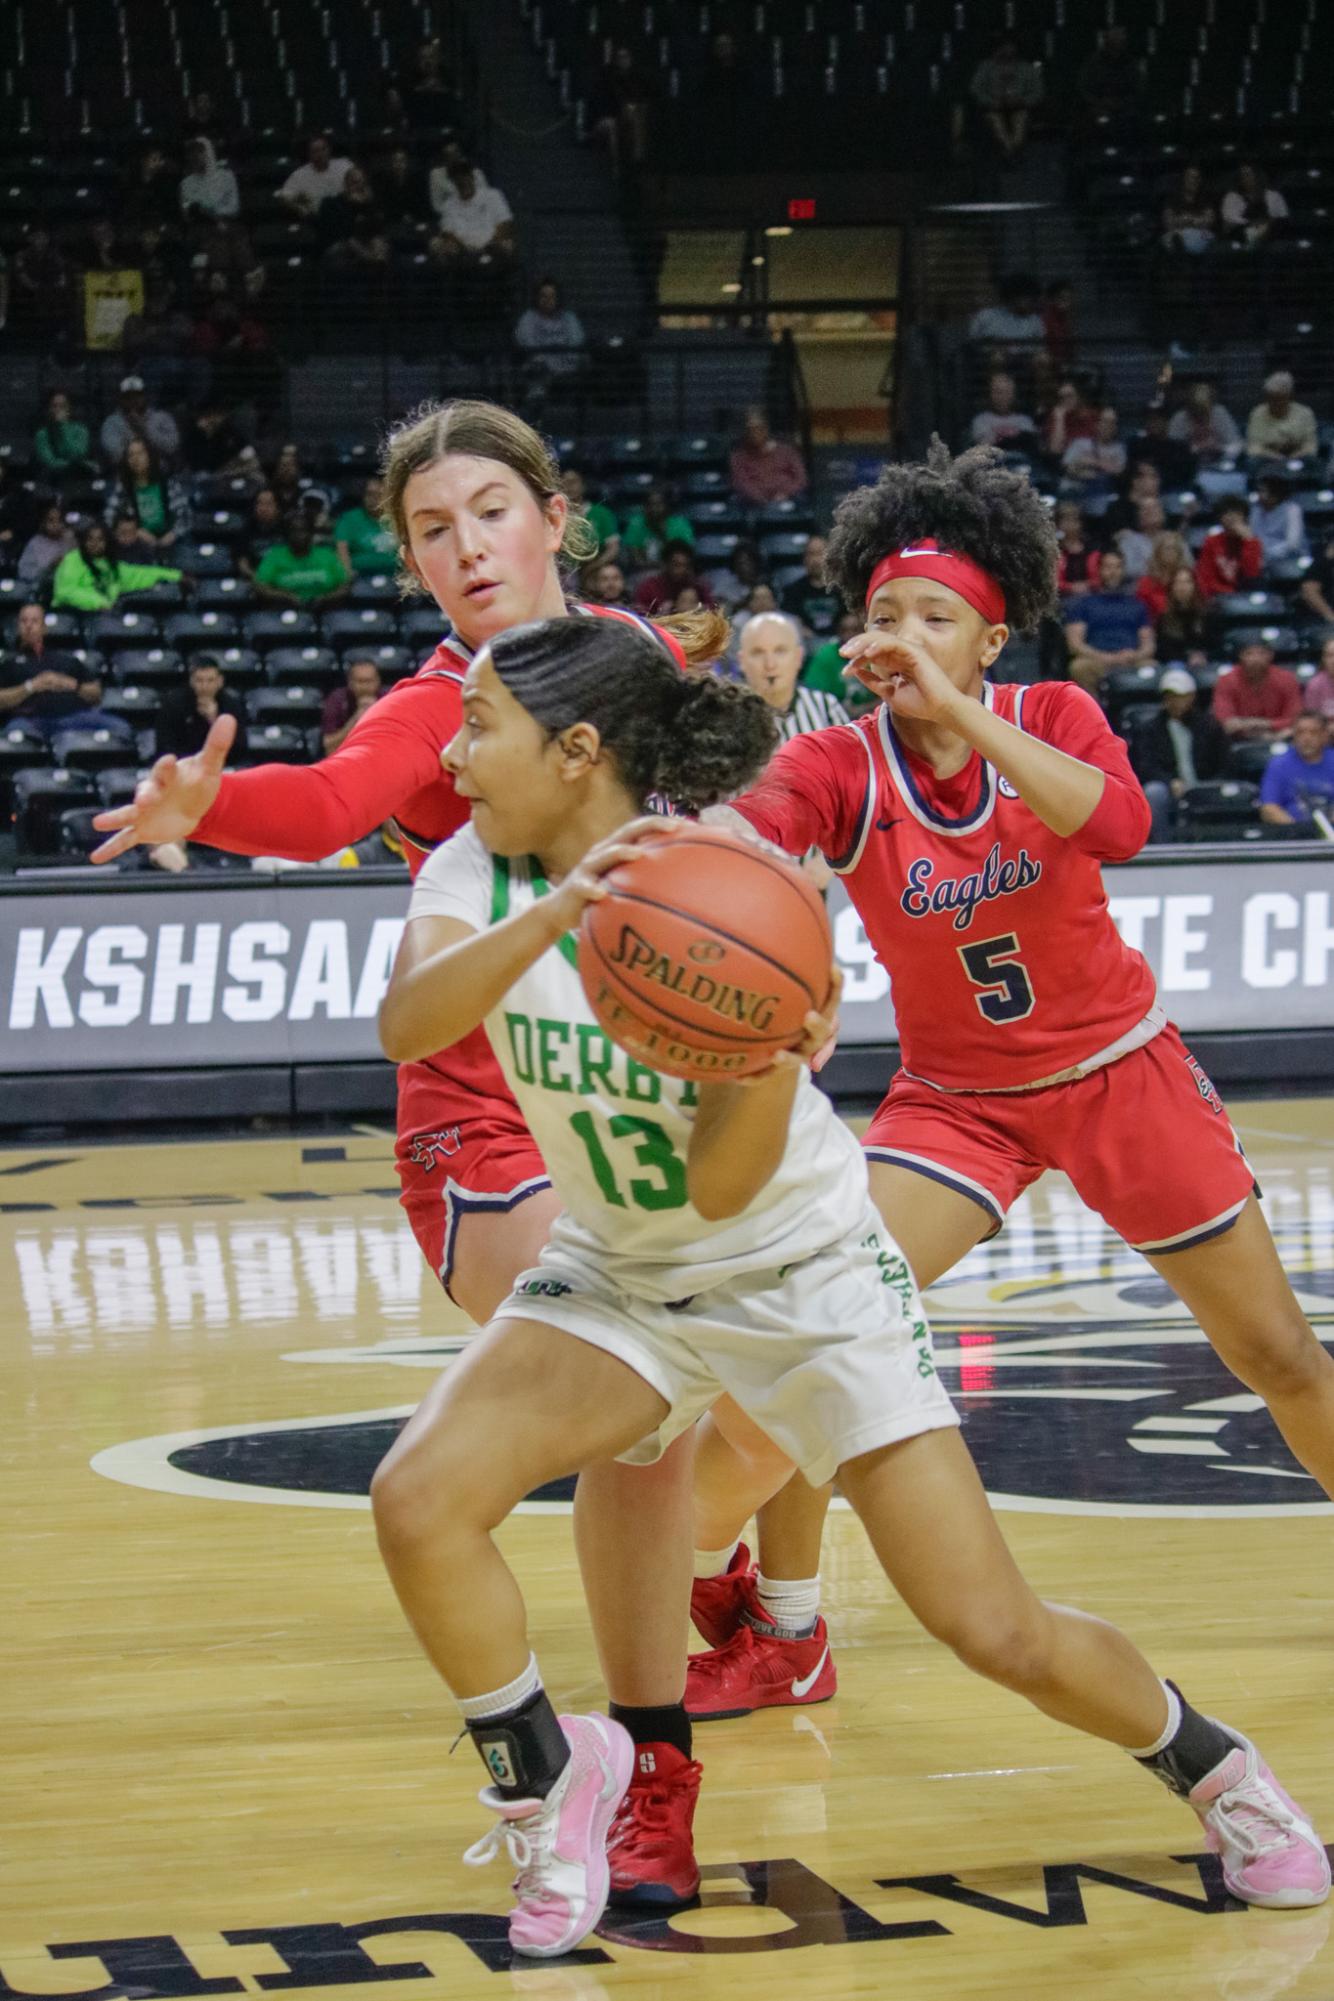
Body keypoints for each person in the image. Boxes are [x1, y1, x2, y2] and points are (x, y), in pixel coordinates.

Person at [380, 614, 1329, 1946]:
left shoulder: (718, 882)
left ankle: (1215, 1767)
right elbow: (409, 1023)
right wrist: (559, 903)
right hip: (613, 1273)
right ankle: (553, 1777)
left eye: (480, 724)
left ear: (577, 748)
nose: (454, 749)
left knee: (991, 1628)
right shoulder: (475, 866)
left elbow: (720, 1188)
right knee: (418, 1500)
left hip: (799, 1273)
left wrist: (764, 1054)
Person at [90, 401, 733, 1907]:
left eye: (490, 512)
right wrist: (212, 803)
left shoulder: (646, 662)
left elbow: (745, 810)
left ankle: (670, 1728)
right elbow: (322, 808)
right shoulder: (444, 701)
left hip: (647, 1084)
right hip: (487, 1108)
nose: (465, 550)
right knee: (632, 1392)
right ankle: (622, 1748)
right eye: (432, 530)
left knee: (683, 1422)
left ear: (555, 517)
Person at [671, 446, 1334, 1768]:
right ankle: (783, 1627)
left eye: (935, 618)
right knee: (818, 1337)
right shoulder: (842, 764)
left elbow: (1123, 825)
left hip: (1115, 1074)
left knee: (1273, 1354)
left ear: (990, 637)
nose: (902, 635)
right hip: (955, 1104)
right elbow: (749, 831)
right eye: (884, 614)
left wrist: (962, 716)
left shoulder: (1052, 718)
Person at [0, 601, 134, 747]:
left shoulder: (66, 659)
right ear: (18, 627)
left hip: (74, 717)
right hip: (30, 720)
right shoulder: (9, 663)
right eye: (24, 621)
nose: (28, 626)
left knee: (120, 727)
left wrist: (70, 684)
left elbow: (96, 694)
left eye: (34, 621)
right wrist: (31, 686)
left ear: (44, 627)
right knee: (14, 735)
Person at [1130, 665, 1231, 841]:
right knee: (1154, 792)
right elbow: (1146, 766)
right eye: (1170, 697)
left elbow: (1225, 763)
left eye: (1180, 697)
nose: (1175, 702)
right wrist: (1170, 782)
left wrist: (1208, 785)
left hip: (1205, 784)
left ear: (1191, 697)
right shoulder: (1150, 729)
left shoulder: (1210, 726)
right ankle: (1163, 846)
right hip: (1171, 788)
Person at [736, 611, 848, 739]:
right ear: (742, 661)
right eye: (758, 653)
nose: (770, 664)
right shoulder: (724, 717)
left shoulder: (826, 707)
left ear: (798, 657)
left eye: (780, 651)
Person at [1062, 546, 1154, 692]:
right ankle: (1094, 712)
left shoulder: (1137, 605)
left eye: (1118, 567)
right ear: (1099, 570)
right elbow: (1074, 644)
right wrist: (1105, 657)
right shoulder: (1084, 604)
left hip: (1131, 660)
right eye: (1108, 567)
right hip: (1097, 660)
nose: (1113, 572)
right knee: (1079, 667)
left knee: (1152, 668)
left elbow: (1149, 645)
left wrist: (1134, 655)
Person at [51, 520, 182, 611]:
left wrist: (178, 576)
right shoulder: (72, 560)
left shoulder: (111, 566)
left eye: (100, 539)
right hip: (73, 615)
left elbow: (139, 574)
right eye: (90, 539)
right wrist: (99, 603)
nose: (94, 543)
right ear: (83, 541)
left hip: (103, 616)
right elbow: (66, 592)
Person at [251, 512, 351, 609]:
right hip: (283, 610)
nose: (298, 535)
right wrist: (286, 597)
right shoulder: (275, 555)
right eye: (293, 531)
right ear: (287, 535)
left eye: (303, 530)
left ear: (311, 533)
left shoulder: (326, 554)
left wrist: (324, 598)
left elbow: (345, 586)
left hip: (326, 611)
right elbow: (260, 587)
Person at [106, 437, 190, 551]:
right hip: (136, 543)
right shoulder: (123, 487)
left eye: (140, 453)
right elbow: (110, 516)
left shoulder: (167, 482)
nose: (135, 459)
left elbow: (185, 515)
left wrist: (173, 534)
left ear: (150, 456)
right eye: (131, 455)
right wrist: (135, 531)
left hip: (172, 541)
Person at [157, 655, 248, 760]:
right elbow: (166, 747)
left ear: (220, 681)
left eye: (210, 680)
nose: (205, 687)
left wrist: (213, 720)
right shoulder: (173, 703)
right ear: (191, 681)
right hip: (185, 763)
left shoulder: (232, 704)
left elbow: (240, 748)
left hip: (222, 763)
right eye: (199, 680)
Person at [967, 38, 1043, 161]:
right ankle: (1011, 151)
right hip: (993, 108)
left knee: (1020, 119)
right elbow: (975, 89)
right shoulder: (986, 67)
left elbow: (1038, 91)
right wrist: (991, 101)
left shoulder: (1027, 68)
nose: (1007, 51)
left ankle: (1011, 151)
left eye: (1011, 48)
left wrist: (1022, 101)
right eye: (1004, 48)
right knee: (995, 120)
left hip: (1019, 107)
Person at [1212, 640, 1303, 743]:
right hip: (1239, 737)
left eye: (1261, 653)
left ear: (1271, 655)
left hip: (1279, 735)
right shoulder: (1227, 680)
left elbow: (1295, 718)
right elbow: (1225, 719)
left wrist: (1265, 724)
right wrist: (1247, 727)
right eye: (1249, 654)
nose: (1255, 659)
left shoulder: (1286, 679)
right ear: (1240, 656)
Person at [513, 277, 586, 404]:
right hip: (539, 370)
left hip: (566, 368)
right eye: (543, 296)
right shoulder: (528, 319)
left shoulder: (569, 318)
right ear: (536, 298)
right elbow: (528, 344)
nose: (547, 300)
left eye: (552, 296)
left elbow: (576, 342)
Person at [1259, 710, 1334, 827]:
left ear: (1325, 735)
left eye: (1313, 732)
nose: (1306, 738)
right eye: (1300, 732)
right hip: (1291, 836)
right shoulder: (1278, 765)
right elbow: (1269, 808)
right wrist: (1298, 831)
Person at [428, 162, 515, 263]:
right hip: (462, 250)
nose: (462, 181)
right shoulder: (448, 205)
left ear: (472, 177)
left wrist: (491, 244)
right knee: (436, 244)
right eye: (457, 178)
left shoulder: (493, 195)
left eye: (465, 176)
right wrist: (466, 249)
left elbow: (505, 223)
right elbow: (448, 232)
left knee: (506, 244)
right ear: (453, 181)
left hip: (492, 245)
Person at [728, 408, 808, 508]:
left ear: (766, 428)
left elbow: (801, 478)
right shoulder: (738, 457)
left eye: (759, 428)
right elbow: (742, 483)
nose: (755, 433)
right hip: (756, 504)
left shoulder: (787, 451)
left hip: (789, 498)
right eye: (750, 429)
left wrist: (786, 494)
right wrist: (763, 500)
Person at [100, 376, 181, 468]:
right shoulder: (112, 422)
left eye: (137, 395)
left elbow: (172, 447)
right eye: (128, 397)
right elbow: (114, 453)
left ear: (145, 396)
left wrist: (144, 430)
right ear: (121, 399)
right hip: (125, 474)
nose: (133, 400)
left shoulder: (162, 417)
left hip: (160, 471)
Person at [1195, 500, 1264, 600]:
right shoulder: (1211, 542)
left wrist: (1249, 541)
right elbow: (1205, 577)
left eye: (1237, 514)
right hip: (1218, 596)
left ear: (1244, 518)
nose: (1232, 518)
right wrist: (1228, 593)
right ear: (1220, 518)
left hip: (1245, 596)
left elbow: (1251, 574)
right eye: (1227, 514)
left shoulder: (1254, 543)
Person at [1246, 373, 1318, 464]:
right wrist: (1276, 457)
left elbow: (1310, 447)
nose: (1276, 403)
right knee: (1253, 461)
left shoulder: (1305, 413)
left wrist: (1293, 457)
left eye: (1280, 398)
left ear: (1290, 396)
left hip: (1298, 458)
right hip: (1267, 459)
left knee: (1312, 461)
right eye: (1272, 398)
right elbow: (1254, 448)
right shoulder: (1257, 414)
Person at [779, 533, 841, 637]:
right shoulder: (792, 591)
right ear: (804, 558)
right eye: (811, 554)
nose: (815, 560)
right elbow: (788, 621)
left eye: (820, 553)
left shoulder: (842, 589)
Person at [335, 475, 399, 576]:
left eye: (379, 495)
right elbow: (342, 551)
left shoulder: (399, 518)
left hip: (397, 576)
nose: (374, 499)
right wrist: (347, 576)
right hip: (361, 576)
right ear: (363, 496)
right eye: (370, 494)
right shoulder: (349, 519)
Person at [632, 539, 715, 616]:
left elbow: (712, 611)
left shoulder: (698, 587)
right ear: (666, 564)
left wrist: (698, 609)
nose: (681, 570)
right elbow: (639, 616)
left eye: (685, 565)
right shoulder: (649, 588)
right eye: (676, 565)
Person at [278, 134, 354, 217]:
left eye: (324, 149)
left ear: (329, 150)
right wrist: (301, 209)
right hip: (317, 219)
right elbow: (284, 198)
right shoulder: (299, 175)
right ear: (309, 154)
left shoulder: (345, 165)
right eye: (316, 151)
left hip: (346, 214)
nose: (321, 154)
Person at [1076, 22, 1141, 119]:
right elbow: (1084, 87)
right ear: (1107, 38)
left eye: (1121, 35)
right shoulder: (1093, 62)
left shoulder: (1131, 63)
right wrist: (1100, 102)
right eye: (1115, 35)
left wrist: (1121, 103)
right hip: (1098, 108)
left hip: (1125, 109)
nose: (1120, 39)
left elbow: (1137, 89)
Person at [619, 487, 694, 570]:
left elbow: (682, 559)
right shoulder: (636, 524)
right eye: (650, 504)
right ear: (644, 507)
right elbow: (636, 560)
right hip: (643, 572)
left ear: (667, 506)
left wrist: (662, 534)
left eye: (658, 504)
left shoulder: (680, 525)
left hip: (672, 572)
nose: (654, 508)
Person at [1167, 381, 1241, 464]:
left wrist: (1219, 448)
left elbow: (1236, 445)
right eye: (1195, 409)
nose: (1200, 414)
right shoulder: (1178, 419)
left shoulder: (1220, 413)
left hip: (1219, 464)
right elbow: (1172, 450)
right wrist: (1195, 449)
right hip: (1187, 466)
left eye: (1204, 410)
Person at [322, 655, 384, 754]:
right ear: (350, 682)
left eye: (369, 681)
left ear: (378, 681)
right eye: (360, 681)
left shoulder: (388, 699)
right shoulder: (337, 699)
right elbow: (329, 748)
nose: (365, 687)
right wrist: (355, 720)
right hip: (346, 757)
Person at [967, 272, 1044, 350]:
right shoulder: (985, 317)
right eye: (1025, 298)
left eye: (1032, 299)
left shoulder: (1036, 321)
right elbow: (973, 344)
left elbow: (1040, 349)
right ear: (1012, 297)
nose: (1030, 302)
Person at [1152, 563, 1210, 667]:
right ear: (1172, 587)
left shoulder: (1207, 615)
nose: (1182, 587)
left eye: (1187, 582)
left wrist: (1203, 656)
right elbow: (1162, 652)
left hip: (1205, 663)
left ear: (1194, 586)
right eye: (1178, 582)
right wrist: (1187, 658)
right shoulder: (1164, 619)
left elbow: (1216, 645)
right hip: (1177, 665)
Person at [1221, 163, 1290, 250]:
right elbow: (1230, 219)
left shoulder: (1274, 195)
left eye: (1248, 175)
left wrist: (1265, 226)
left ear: (1257, 176)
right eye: (1242, 176)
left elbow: (1283, 218)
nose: (1245, 178)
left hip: (1269, 231)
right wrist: (1254, 224)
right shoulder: (1232, 196)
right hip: (1244, 231)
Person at [33, 389, 97, 481]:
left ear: (69, 409)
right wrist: (78, 464)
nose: (58, 410)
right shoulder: (42, 434)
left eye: (63, 406)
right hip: (54, 479)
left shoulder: (81, 430)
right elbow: (50, 462)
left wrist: (63, 428)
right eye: (54, 406)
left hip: (80, 478)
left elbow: (78, 453)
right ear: (49, 409)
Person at [1249, 474, 1309, 566]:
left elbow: (1293, 544)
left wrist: (1266, 553)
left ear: (1275, 494)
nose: (1259, 495)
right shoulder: (1254, 510)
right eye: (1259, 491)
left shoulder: (1292, 510)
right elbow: (1251, 536)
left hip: (1289, 559)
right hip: (1260, 558)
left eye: (1263, 491)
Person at [1061, 406, 1126, 489]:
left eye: (1112, 422)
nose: (1108, 426)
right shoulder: (1079, 443)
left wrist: (1093, 462)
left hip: (1102, 492)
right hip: (1073, 489)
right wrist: (1105, 467)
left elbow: (1119, 472)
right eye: (1105, 421)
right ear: (1097, 423)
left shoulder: (1120, 449)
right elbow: (1068, 468)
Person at [560, 469, 619, 562]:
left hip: (596, 568)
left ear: (583, 486)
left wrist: (595, 566)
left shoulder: (602, 513)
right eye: (564, 482)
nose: (569, 486)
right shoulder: (555, 515)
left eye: (573, 482)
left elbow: (613, 549)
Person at [968, 371, 1037, 450]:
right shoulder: (981, 421)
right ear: (990, 394)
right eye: (998, 392)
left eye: (1007, 392)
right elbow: (985, 448)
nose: (1002, 397)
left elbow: (1029, 447)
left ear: (1014, 394)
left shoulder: (1025, 421)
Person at [178, 138, 239, 224]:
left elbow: (234, 208)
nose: (196, 155)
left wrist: (209, 211)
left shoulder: (227, 176)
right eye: (192, 152)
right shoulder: (185, 184)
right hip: (199, 230)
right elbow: (186, 214)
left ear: (209, 152)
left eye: (200, 151)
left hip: (224, 228)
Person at [1134, 530, 1190, 622]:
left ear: (1180, 552)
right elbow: (1140, 612)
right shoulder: (1146, 582)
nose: (1171, 552)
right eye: (1167, 548)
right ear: (1158, 552)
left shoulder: (1188, 578)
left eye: (1174, 548)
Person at [17, 500, 77, 586]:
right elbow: (24, 572)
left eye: (59, 520)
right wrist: (50, 567)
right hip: (41, 589)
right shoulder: (35, 543)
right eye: (51, 520)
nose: (55, 524)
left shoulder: (70, 540)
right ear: (43, 523)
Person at [1160, 164, 1216, 255]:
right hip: (1177, 233)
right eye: (1190, 177)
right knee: (1168, 239)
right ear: (1184, 179)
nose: (1193, 181)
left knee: (1209, 237)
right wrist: (1190, 220)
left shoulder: (1206, 198)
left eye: (1196, 178)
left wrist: (1186, 219)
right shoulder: (1172, 198)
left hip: (1200, 234)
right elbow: (1168, 222)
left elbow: (1209, 221)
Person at [1054, 500, 1101, 598]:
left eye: (1074, 520)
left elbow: (1099, 576)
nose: (1070, 524)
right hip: (1062, 598)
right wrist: (1071, 587)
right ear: (1059, 524)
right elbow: (1053, 580)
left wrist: (1087, 585)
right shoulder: (1054, 549)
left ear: (1081, 523)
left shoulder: (1092, 548)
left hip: (1091, 595)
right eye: (1066, 520)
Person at [1114, 496, 1166, 581]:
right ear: (1139, 516)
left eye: (1155, 507)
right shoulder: (1128, 540)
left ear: (1162, 513)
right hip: (1138, 590)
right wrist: (1163, 568)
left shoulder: (1174, 538)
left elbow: (1187, 566)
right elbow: (1128, 569)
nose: (1151, 511)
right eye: (1145, 509)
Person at [1304, 636, 1334, 721]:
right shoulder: (1315, 684)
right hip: (1323, 732)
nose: (1333, 660)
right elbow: (1312, 720)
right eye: (1329, 656)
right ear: (1323, 659)